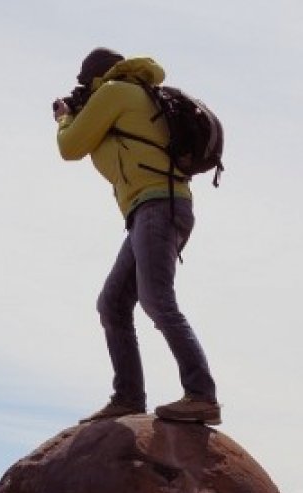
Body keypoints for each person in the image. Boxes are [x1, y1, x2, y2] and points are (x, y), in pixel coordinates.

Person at [53, 47, 221, 425]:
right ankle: (128, 396)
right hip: (155, 208)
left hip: (158, 207)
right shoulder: (138, 94)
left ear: (95, 77)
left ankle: (201, 394)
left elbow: (70, 147)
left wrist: (65, 119)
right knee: (112, 303)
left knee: (157, 300)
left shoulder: (114, 92)